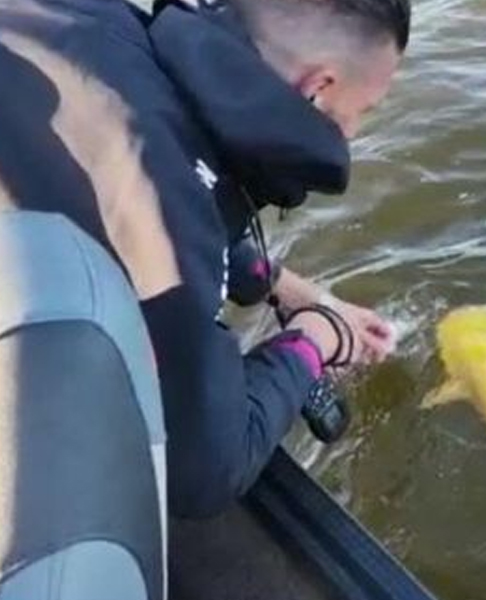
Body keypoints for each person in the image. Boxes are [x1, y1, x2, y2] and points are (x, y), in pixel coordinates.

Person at [0, 0, 410, 518]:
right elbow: (204, 472)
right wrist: (316, 337)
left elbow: (138, 198)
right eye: (363, 111)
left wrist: (280, 285)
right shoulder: (163, 207)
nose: (351, 134)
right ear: (318, 88)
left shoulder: (99, 21)